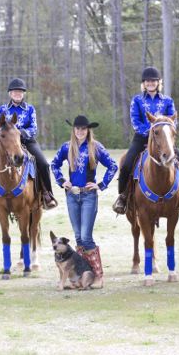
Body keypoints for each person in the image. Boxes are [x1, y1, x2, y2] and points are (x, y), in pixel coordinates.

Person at [112, 66, 179, 215]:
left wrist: (163, 132)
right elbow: (135, 121)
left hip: (164, 140)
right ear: (144, 83)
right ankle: (122, 197)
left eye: (153, 81)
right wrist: (151, 132)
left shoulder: (168, 100)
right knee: (126, 165)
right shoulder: (137, 100)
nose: (150, 83)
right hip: (142, 139)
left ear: (158, 82)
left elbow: (173, 121)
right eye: (147, 81)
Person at [51, 115, 118, 288]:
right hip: (72, 195)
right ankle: (81, 277)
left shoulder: (95, 147)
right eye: (77, 128)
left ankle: (98, 277)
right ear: (73, 130)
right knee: (79, 237)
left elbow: (113, 165)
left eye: (83, 128)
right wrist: (61, 181)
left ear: (88, 130)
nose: (80, 131)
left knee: (86, 236)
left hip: (89, 195)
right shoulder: (67, 147)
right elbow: (54, 164)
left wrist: (101, 184)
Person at [0, 78, 58, 211]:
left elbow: (34, 128)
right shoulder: (2, 109)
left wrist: (19, 133)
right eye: (15, 92)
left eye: (20, 92)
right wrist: (9, 135)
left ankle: (47, 194)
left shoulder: (30, 109)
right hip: (7, 144)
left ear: (23, 94)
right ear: (10, 94)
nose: (18, 94)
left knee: (44, 164)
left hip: (27, 142)